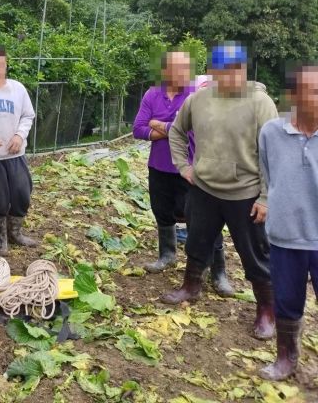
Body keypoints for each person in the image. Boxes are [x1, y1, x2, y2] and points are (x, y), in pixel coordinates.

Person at [162, 42, 278, 340]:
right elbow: (176, 131)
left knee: (255, 256)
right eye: (225, 70)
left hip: (245, 194)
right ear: (213, 72)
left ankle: (267, 310)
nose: (233, 75)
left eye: (238, 69)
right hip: (204, 190)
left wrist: (266, 197)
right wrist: (183, 166)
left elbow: (272, 153)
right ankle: (191, 287)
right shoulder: (199, 99)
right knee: (197, 243)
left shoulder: (259, 102)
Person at [133, 51, 233, 296]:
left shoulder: (197, 94)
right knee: (162, 212)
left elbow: (193, 131)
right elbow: (138, 129)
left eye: (186, 69)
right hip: (159, 166)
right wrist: (172, 127)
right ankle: (167, 255)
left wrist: (160, 124)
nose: (183, 74)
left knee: (203, 220)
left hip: (191, 170)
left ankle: (218, 271)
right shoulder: (152, 94)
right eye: (177, 69)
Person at [258, 64, 318, 380]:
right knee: (287, 302)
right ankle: (286, 357)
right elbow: (270, 176)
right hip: (284, 237)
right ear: (294, 96)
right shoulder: (271, 132)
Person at [0, 45, 37, 256]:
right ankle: (1, 239)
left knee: (22, 193)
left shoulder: (17, 88)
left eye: (1, 63)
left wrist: (19, 135)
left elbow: (28, 116)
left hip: (16, 154)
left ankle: (16, 233)